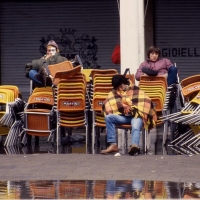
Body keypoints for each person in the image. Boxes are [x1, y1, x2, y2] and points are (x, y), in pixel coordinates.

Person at [101, 75, 157, 156]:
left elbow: (145, 102)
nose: (119, 89)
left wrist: (132, 108)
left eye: (120, 86)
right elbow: (108, 103)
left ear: (124, 83)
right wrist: (123, 106)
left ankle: (134, 146)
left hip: (136, 116)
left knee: (135, 125)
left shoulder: (135, 89)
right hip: (123, 117)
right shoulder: (114, 92)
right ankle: (113, 145)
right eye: (117, 88)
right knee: (108, 117)